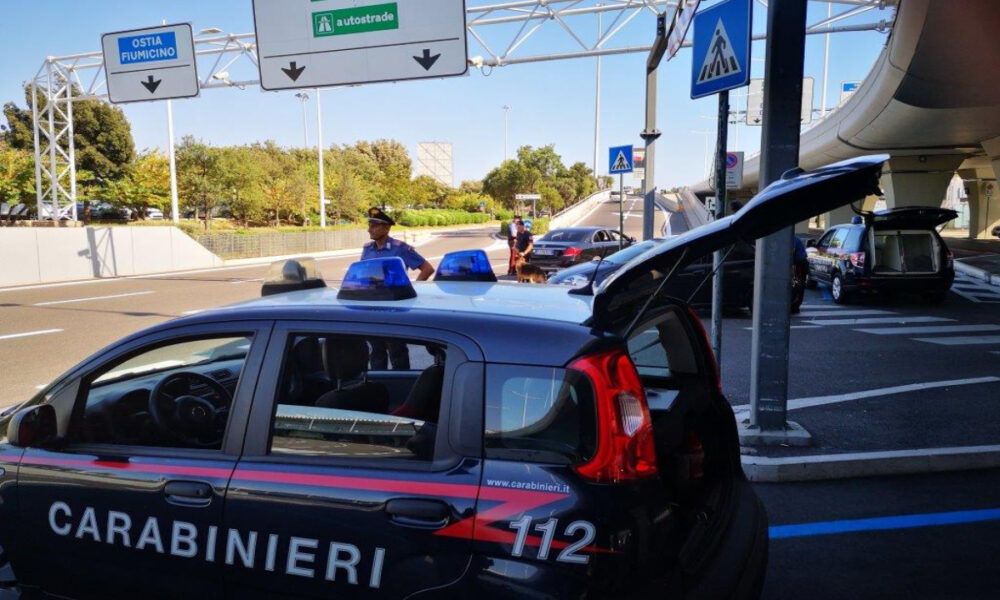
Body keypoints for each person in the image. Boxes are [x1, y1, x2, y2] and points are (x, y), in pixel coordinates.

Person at [361, 207, 435, 370]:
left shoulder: (400, 248)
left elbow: (427, 269)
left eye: (374, 226)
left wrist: (410, 290)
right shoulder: (367, 249)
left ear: (386, 228)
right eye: (369, 225)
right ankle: (376, 386)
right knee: (376, 351)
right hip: (373, 307)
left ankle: (402, 385)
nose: (369, 230)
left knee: (396, 351)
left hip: (393, 308)